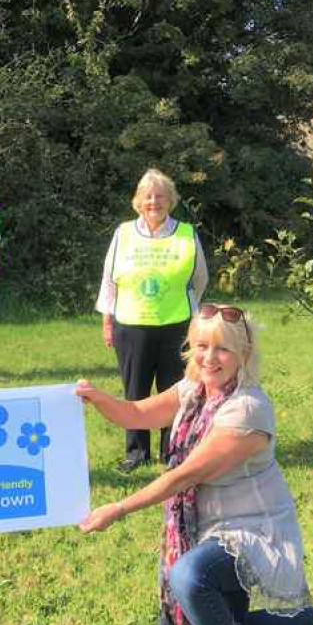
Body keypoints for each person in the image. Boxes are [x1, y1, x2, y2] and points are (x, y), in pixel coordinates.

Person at [77, 304, 313, 625]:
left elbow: (186, 475)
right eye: (201, 346)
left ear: (244, 354)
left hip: (253, 530)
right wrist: (96, 398)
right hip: (211, 526)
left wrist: (118, 508)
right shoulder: (194, 390)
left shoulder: (248, 410)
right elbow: (136, 414)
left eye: (222, 350)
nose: (209, 358)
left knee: (189, 575)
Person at [95, 168, 208, 472]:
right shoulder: (123, 233)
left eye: (160, 196)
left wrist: (185, 309)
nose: (153, 202)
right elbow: (109, 280)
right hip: (131, 326)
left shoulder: (186, 233)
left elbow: (199, 279)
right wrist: (107, 321)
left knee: (176, 391)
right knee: (135, 391)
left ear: (170, 201)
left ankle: (172, 452)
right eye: (148, 196)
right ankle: (136, 452)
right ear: (138, 201)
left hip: (177, 326)